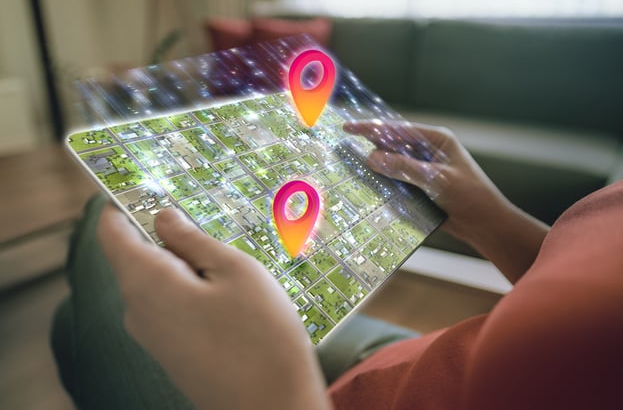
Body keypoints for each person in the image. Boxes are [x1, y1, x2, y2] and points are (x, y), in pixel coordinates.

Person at [52, 121, 623, 409]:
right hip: (422, 362)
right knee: (75, 326)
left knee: (102, 224)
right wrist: (492, 220)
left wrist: (276, 395)